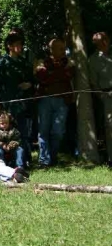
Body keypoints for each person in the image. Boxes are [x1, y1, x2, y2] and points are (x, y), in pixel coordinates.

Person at [0, 33, 34, 167]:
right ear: (9, 46)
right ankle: (3, 162)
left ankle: (24, 161)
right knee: (6, 134)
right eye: (17, 44)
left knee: (24, 133)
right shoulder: (1, 63)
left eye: (21, 45)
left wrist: (29, 84)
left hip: (23, 104)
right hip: (7, 105)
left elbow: (32, 79)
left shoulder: (24, 62)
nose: (20, 47)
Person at [35, 38, 75, 167]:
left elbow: (68, 75)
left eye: (64, 48)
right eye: (61, 48)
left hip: (62, 100)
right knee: (44, 130)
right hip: (45, 99)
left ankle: (52, 157)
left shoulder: (68, 62)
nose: (64, 51)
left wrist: (51, 74)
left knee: (58, 132)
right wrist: (60, 73)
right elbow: (42, 78)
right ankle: (44, 161)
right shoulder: (43, 62)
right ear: (51, 50)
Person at [88, 32, 112, 165]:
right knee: (110, 128)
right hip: (108, 96)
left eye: (104, 40)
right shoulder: (93, 60)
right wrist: (103, 96)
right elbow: (93, 83)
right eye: (98, 42)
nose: (103, 43)